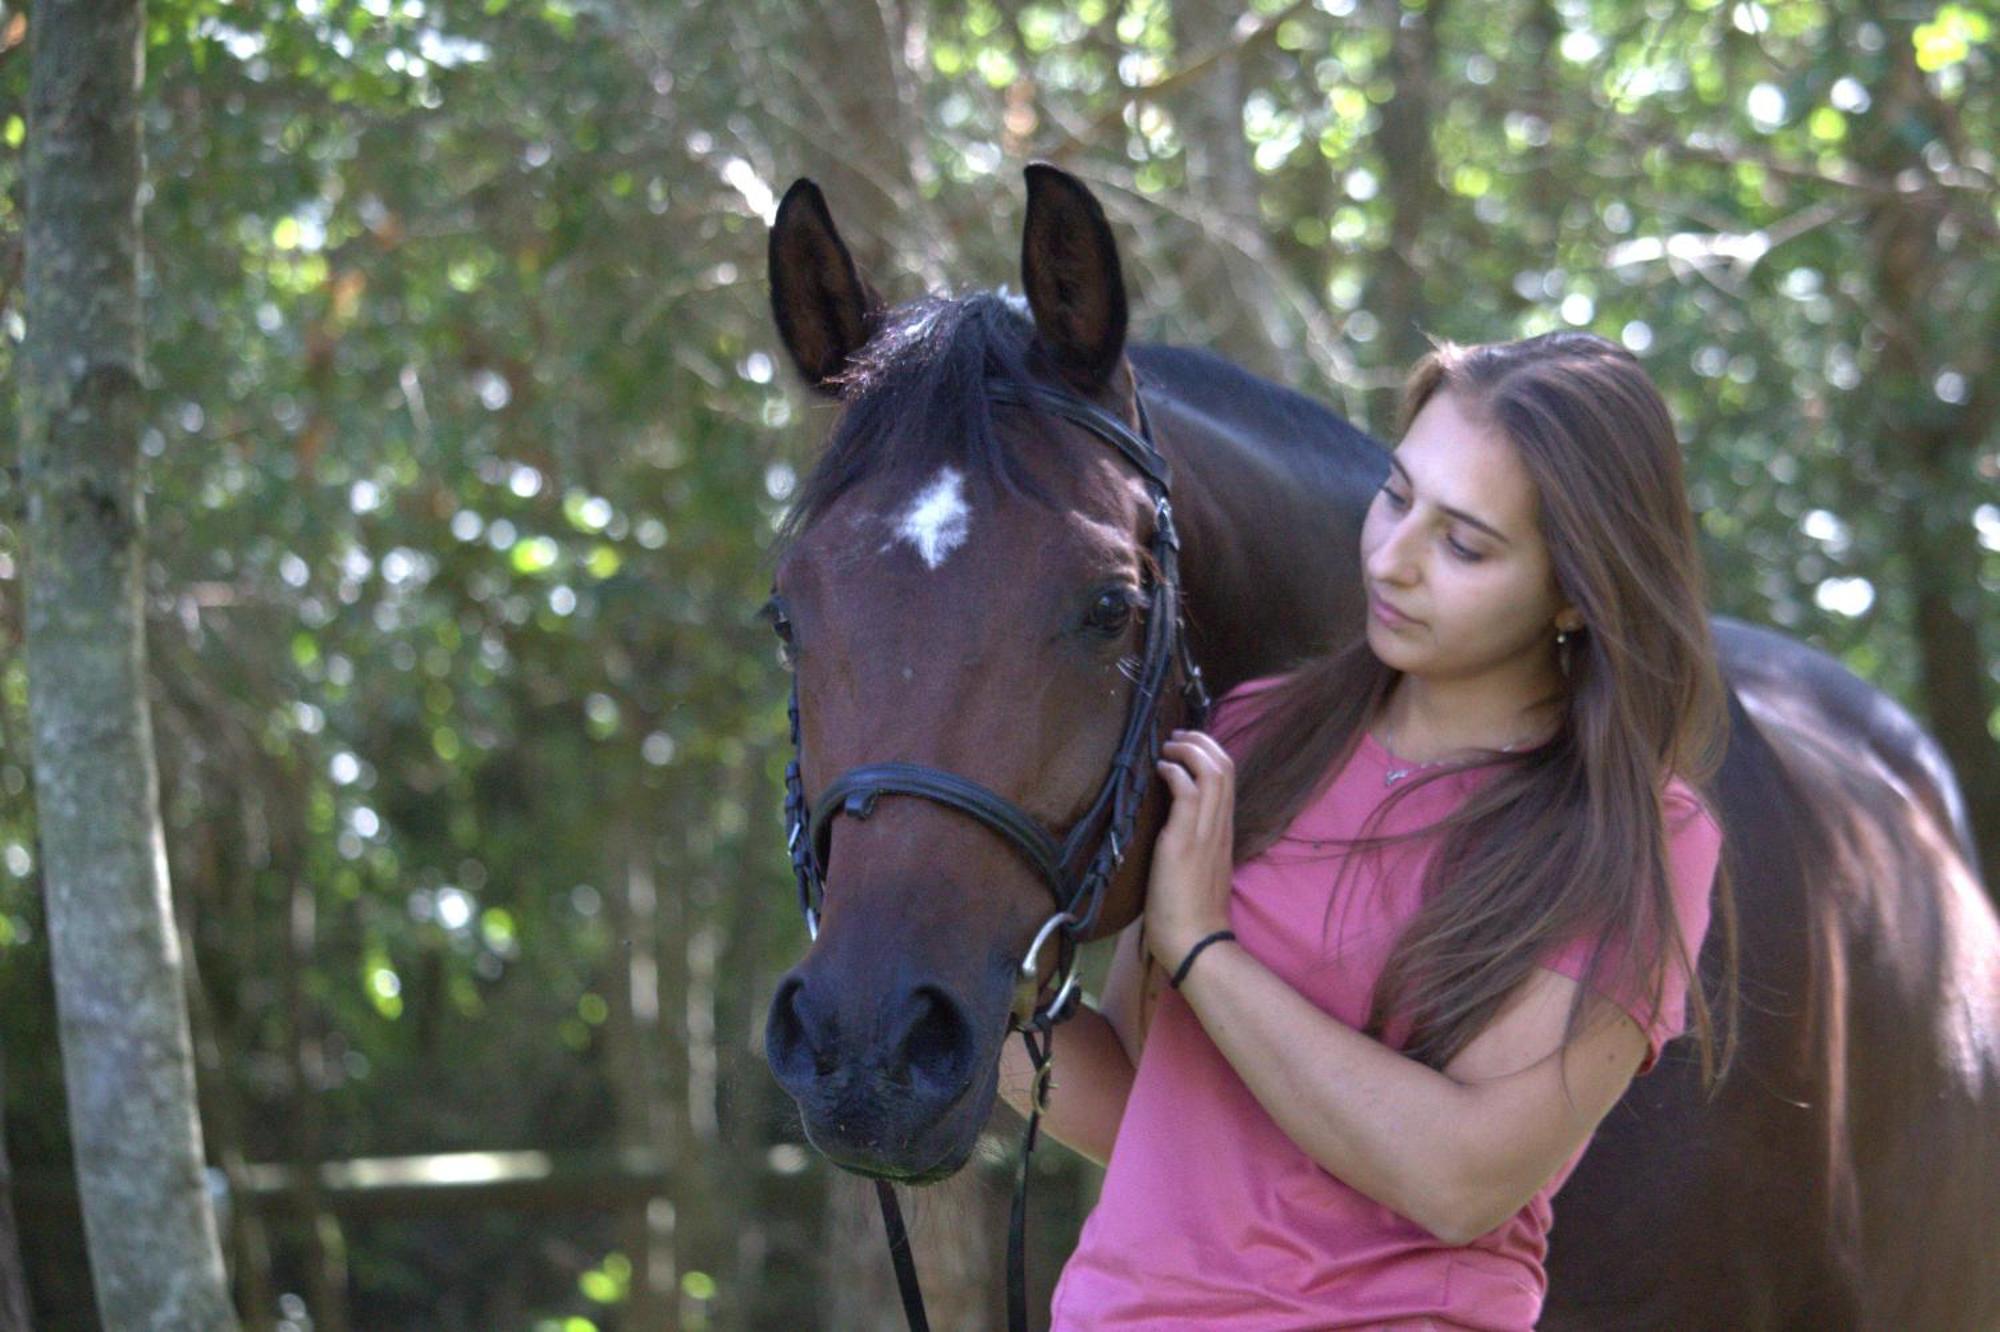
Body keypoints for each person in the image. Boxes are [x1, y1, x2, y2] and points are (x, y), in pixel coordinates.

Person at [1001, 331, 1735, 1330]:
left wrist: (1202, 951)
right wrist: (975, 983)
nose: (1390, 560)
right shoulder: (1254, 732)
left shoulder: (1636, 837)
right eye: (1394, 496)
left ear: (1574, 590)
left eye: (1463, 544)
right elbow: (1148, 1108)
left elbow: (1458, 1181)